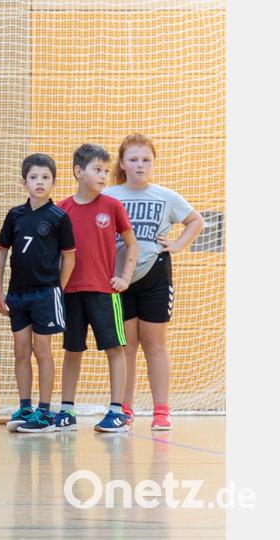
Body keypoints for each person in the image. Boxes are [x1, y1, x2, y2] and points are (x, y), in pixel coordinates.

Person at [103, 134, 204, 430]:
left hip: (155, 275)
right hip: (119, 279)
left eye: (146, 160)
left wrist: (176, 245)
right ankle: (126, 408)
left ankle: (161, 410)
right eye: (133, 159)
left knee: (155, 346)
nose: (140, 165)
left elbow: (195, 220)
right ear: (122, 162)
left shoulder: (165, 196)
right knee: (127, 347)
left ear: (153, 163)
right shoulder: (109, 195)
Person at [53, 143, 139, 433]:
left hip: (104, 292)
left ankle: (117, 411)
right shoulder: (61, 209)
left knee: (115, 349)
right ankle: (66, 410)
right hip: (70, 293)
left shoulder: (112, 206)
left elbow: (131, 245)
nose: (104, 175)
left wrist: (124, 277)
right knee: (72, 349)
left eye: (105, 170)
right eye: (97, 170)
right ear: (79, 171)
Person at [0, 153, 75, 433]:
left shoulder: (59, 217)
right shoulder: (15, 215)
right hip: (17, 295)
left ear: (53, 181)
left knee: (43, 351)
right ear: (23, 181)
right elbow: (2, 253)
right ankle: (25, 406)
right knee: (20, 351)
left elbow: (69, 257)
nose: (39, 182)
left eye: (45, 177)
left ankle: (44, 412)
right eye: (33, 177)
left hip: (45, 294)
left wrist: (57, 289)